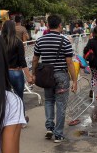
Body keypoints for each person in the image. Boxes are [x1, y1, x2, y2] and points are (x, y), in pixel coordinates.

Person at [30, 14, 77, 144]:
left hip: (47, 75)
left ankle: (49, 127)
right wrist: (75, 80)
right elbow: (69, 63)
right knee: (61, 104)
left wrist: (33, 74)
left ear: (48, 25)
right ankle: (58, 134)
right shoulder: (65, 41)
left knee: (49, 101)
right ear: (60, 25)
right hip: (61, 76)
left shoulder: (40, 40)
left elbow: (35, 59)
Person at [2, 20, 32, 112]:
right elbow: (22, 61)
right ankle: (20, 119)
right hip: (16, 72)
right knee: (19, 97)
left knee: (5, 98)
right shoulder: (18, 42)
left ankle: (7, 119)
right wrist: (28, 76)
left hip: (3, 73)